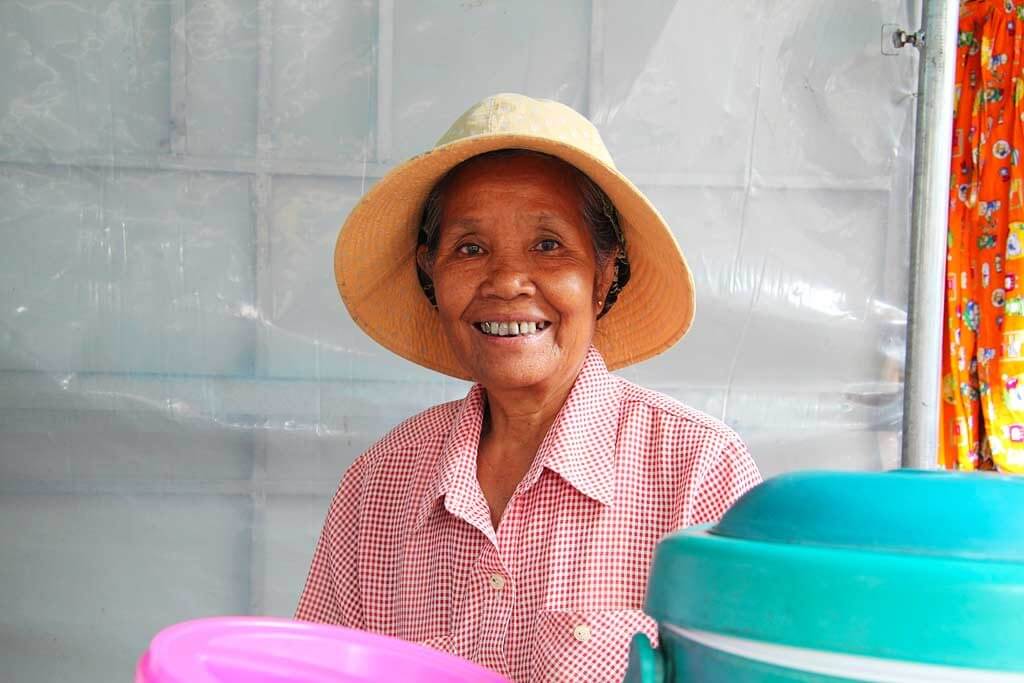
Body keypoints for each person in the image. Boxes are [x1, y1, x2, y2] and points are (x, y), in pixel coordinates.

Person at [295, 93, 762, 682]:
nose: (508, 281)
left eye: (548, 245)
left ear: (603, 275)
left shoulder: (697, 473)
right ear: (430, 275)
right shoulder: (377, 487)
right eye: (470, 248)